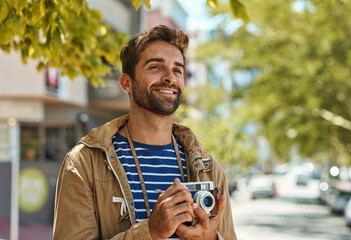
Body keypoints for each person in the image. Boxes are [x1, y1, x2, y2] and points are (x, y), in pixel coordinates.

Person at [53, 25, 237, 240]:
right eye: (156, 67)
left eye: (177, 70)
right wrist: (150, 232)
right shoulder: (83, 164)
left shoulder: (210, 169)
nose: (170, 77)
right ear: (126, 82)